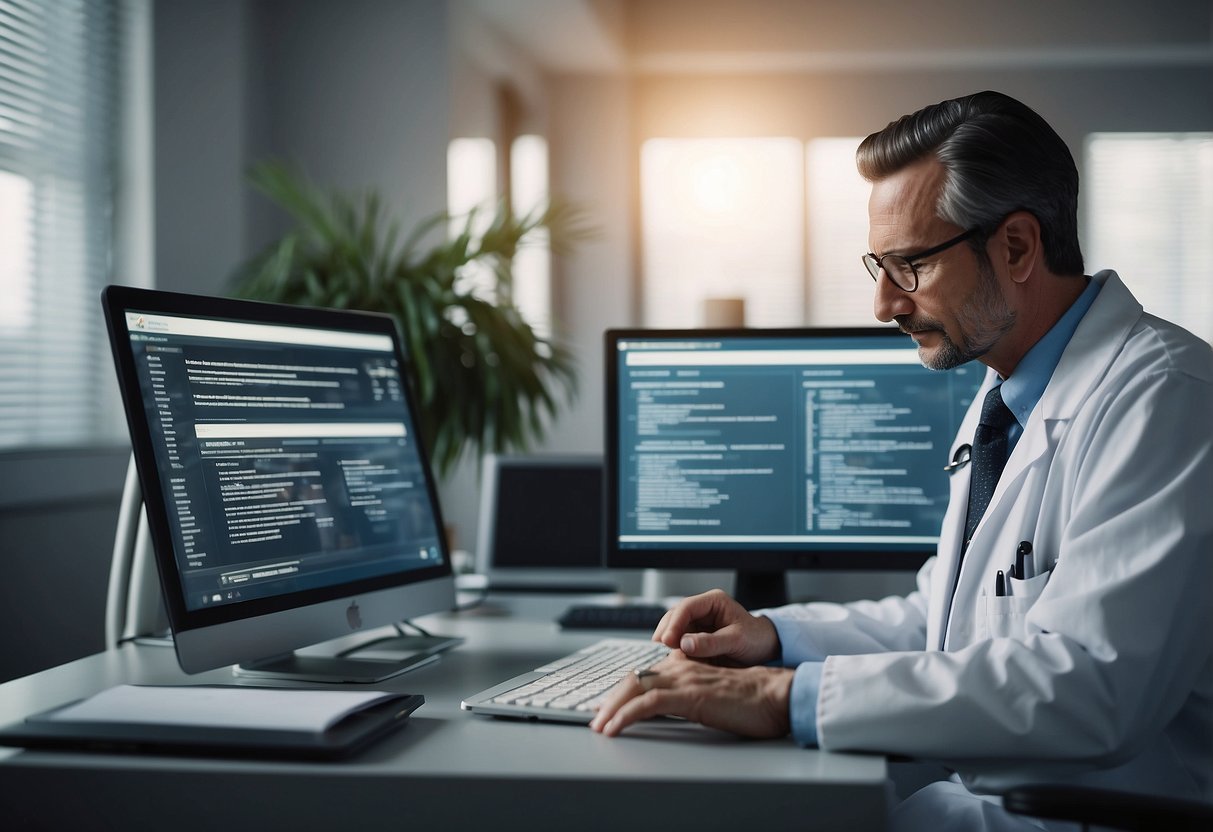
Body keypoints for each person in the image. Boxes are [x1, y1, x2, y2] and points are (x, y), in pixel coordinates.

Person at [589, 90, 1213, 830]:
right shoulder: (1008, 394)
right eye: (877, 266)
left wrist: (779, 697)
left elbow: (1092, 687)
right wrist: (773, 638)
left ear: (1015, 247)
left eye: (909, 265)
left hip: (1091, 814)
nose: (884, 303)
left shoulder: (1164, 400)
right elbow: (940, 621)